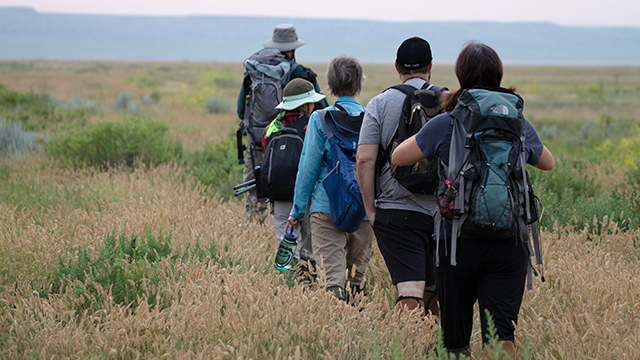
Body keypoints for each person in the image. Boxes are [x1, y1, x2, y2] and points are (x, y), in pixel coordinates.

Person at [391, 41, 554, 359]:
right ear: (498, 74)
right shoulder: (516, 121)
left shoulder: (446, 122)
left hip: (455, 242)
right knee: (500, 336)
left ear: (460, 75)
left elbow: (399, 156)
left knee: (456, 342)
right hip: (508, 241)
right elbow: (547, 161)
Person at [357, 36, 444, 316]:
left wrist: (371, 209)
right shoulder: (449, 102)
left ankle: (406, 347)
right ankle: (436, 348)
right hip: (442, 213)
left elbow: (365, 158)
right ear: (430, 66)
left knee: (409, 289)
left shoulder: (380, 103)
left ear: (397, 67)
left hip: (396, 211)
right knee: (435, 289)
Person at [286, 54, 374, 301]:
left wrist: (296, 211)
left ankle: (335, 332)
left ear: (331, 84)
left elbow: (308, 170)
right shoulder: (372, 119)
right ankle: (358, 331)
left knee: (332, 283)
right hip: (364, 211)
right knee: (356, 282)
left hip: (326, 209)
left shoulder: (321, 119)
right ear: (359, 83)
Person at [237, 23, 329, 223]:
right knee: (299, 190)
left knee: (256, 194)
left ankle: (254, 239)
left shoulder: (254, 71)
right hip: (298, 146)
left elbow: (240, 110)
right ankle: (295, 239)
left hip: (258, 142)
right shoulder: (301, 73)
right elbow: (322, 109)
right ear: (293, 48)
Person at [262, 78, 325, 268]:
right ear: (306, 104)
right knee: (311, 246)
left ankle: (289, 286)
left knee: (286, 243)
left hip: (280, 195)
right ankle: (310, 285)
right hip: (309, 194)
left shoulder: (272, 128)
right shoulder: (313, 126)